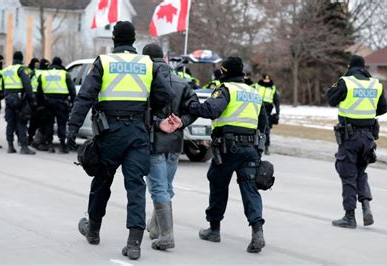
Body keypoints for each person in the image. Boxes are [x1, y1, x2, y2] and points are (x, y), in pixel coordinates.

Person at [67, 21, 174, 260]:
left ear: (114, 39)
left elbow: (85, 96)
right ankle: (134, 242)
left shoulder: (104, 62)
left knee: (102, 181)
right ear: (134, 39)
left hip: (109, 133)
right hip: (138, 132)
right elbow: (166, 95)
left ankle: (93, 230)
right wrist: (149, 111)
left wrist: (72, 127)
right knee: (135, 186)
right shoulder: (147, 63)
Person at [187, 57, 268, 253]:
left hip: (228, 148)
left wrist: (191, 104)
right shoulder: (254, 92)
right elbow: (263, 124)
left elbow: (211, 110)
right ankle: (257, 231)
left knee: (218, 185)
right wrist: (258, 150)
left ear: (224, 72)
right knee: (249, 189)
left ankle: (214, 230)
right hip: (250, 149)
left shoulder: (225, 89)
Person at [142, 43, 197, 250]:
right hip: (175, 143)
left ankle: (166, 235)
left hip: (154, 141)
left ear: (146, 59)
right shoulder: (182, 82)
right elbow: (194, 109)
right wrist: (182, 121)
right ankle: (156, 228)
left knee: (158, 188)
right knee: (165, 186)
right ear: (164, 59)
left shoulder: (146, 80)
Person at [326, 55, 387, 229]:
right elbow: (383, 108)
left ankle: (349, 217)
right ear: (364, 67)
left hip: (350, 137)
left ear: (349, 66)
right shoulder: (375, 84)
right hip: (368, 138)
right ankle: (366, 206)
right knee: (360, 172)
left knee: (348, 175)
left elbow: (330, 98)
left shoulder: (346, 82)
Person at [36, 57, 75, 153]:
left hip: (48, 103)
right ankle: (62, 145)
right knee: (62, 124)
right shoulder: (64, 74)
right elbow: (72, 90)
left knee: (49, 123)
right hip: (61, 103)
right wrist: (73, 102)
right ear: (60, 64)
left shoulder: (43, 74)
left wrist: (40, 104)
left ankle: (50, 145)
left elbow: (39, 91)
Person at [2, 51, 36, 154]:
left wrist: (6, 96)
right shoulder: (21, 69)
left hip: (8, 98)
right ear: (21, 59)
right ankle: (24, 147)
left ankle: (10, 146)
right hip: (19, 99)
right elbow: (27, 85)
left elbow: (3, 86)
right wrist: (31, 99)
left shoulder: (6, 70)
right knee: (22, 122)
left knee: (10, 122)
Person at [252, 73, 280, 155]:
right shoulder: (256, 86)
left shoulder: (272, 88)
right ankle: (254, 145)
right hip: (256, 109)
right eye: (265, 79)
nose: (267, 81)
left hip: (267, 111)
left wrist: (277, 112)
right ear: (262, 79)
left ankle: (266, 146)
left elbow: (276, 100)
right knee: (254, 127)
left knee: (266, 129)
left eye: (268, 79)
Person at [29, 58, 50, 146]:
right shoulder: (47, 74)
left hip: (33, 98)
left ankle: (30, 138)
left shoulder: (34, 72)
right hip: (42, 99)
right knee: (43, 121)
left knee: (33, 120)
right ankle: (40, 140)